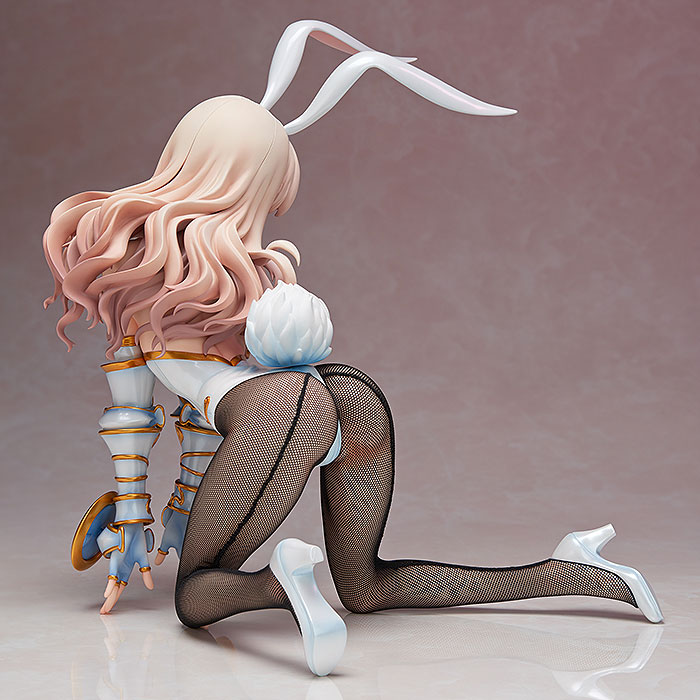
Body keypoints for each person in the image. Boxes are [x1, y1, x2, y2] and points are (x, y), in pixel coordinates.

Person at [43, 21, 662, 677]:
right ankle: (567, 569)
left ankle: (282, 580)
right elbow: (220, 402)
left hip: (277, 410)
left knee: (196, 596)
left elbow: (142, 412)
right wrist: (175, 505)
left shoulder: (135, 270)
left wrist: (137, 514)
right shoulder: (255, 271)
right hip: (344, 392)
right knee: (366, 585)